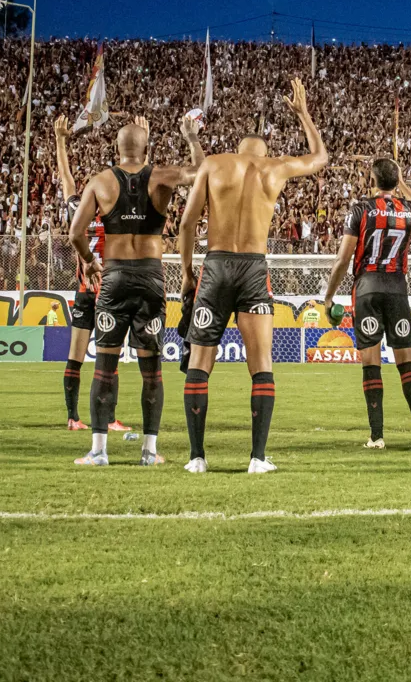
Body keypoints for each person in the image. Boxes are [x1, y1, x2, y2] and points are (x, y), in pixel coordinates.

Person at [179, 78, 328, 474]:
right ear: (264, 151)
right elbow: (319, 158)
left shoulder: (213, 163)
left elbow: (186, 223)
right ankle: (257, 458)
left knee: (200, 361)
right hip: (253, 267)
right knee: (261, 362)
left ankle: (197, 457)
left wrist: (188, 275)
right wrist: (303, 114)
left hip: (215, 264)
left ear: (238, 148)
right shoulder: (274, 168)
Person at [69, 112, 204, 466]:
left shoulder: (100, 181)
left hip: (113, 278)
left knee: (104, 368)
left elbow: (74, 232)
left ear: (116, 149)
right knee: (151, 370)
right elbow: (201, 173)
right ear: (147, 148)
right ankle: (149, 451)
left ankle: (98, 451)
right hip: (150, 276)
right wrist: (191, 138)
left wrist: (88, 260)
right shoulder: (161, 175)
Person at [323, 158, 411, 450]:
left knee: (371, 364)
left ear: (370, 180)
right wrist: (402, 184)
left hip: (368, 289)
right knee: (407, 364)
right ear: (395, 181)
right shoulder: (409, 210)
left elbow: (343, 259)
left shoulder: (360, 209)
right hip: (398, 289)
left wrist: (328, 296)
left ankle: (377, 436)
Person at [53, 114, 133, 434]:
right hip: (109, 291)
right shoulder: (118, 210)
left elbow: (66, 181)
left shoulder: (77, 209)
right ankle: (108, 418)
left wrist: (60, 141)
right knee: (108, 359)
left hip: (85, 289)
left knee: (76, 355)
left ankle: (73, 417)